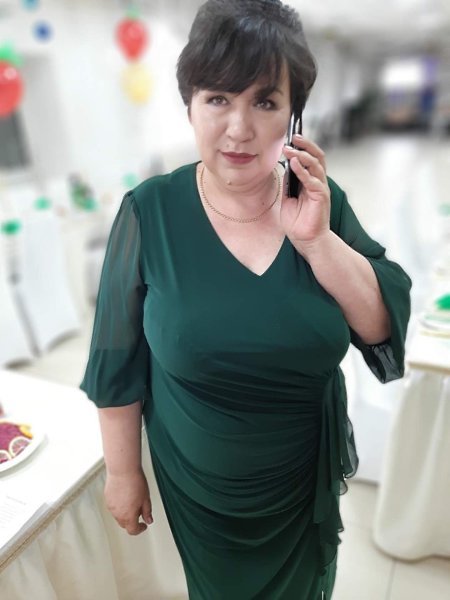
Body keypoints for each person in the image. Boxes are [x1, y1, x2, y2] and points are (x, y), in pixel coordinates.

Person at [80, 1, 411, 598]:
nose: (239, 128)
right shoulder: (149, 211)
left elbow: (379, 326)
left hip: (300, 479)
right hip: (202, 490)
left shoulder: (320, 198)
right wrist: (123, 473)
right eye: (217, 99)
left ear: (292, 114)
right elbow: (115, 359)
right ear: (189, 104)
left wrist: (317, 242)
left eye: (264, 101)